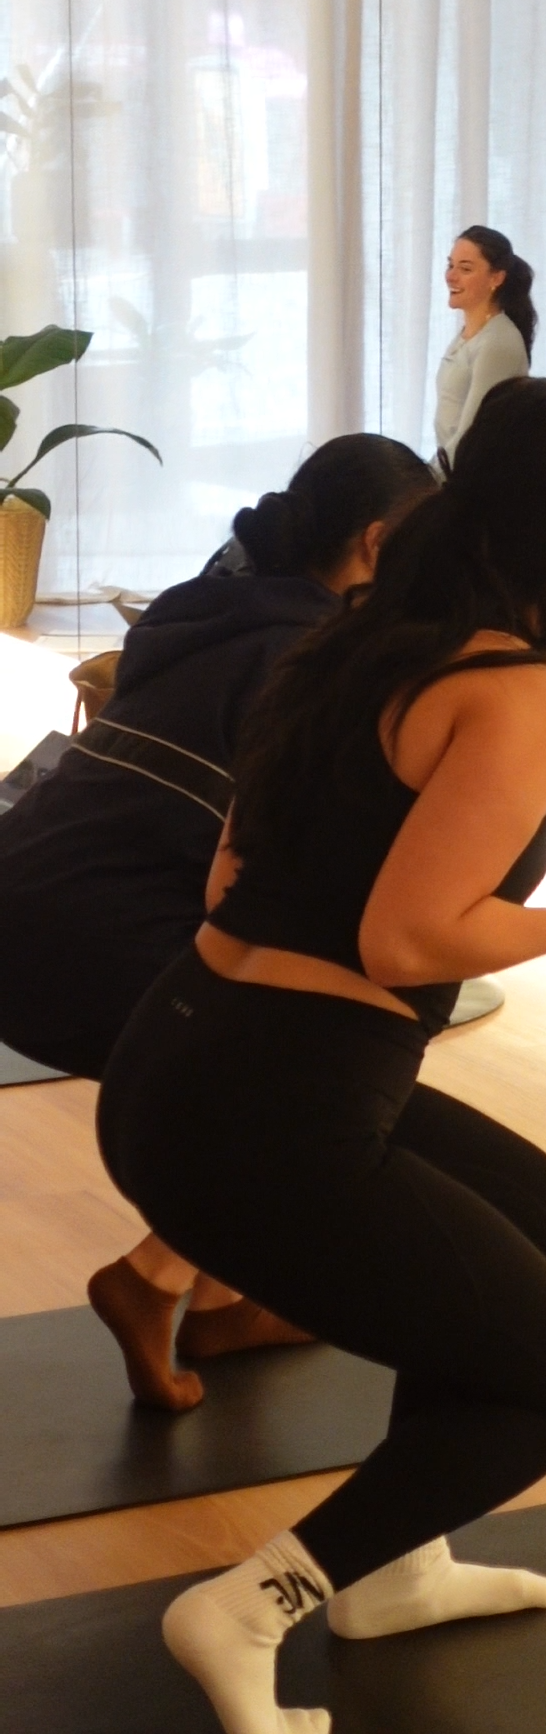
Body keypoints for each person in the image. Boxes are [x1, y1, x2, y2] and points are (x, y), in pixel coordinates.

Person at [95, 376, 546, 1734]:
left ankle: (393, 1568)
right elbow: (410, 936)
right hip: (274, 1108)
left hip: (177, 1061)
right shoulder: (513, 698)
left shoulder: (352, 640)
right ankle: (257, 1603)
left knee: (531, 1207)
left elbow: (229, 877)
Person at [0, 434, 435, 1410]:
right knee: (310, 1054)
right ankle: (157, 1277)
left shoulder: (203, 604)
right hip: (88, 940)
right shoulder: (314, 658)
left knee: (264, 1040)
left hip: (19, 891)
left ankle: (228, 1298)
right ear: (374, 546)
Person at [434, 226, 536, 463]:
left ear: (496, 278)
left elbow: (473, 436)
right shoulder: (469, 335)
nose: (451, 276)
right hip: (456, 476)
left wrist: (424, 483)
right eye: (451, 265)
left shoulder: (498, 342)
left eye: (465, 268)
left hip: (475, 482)